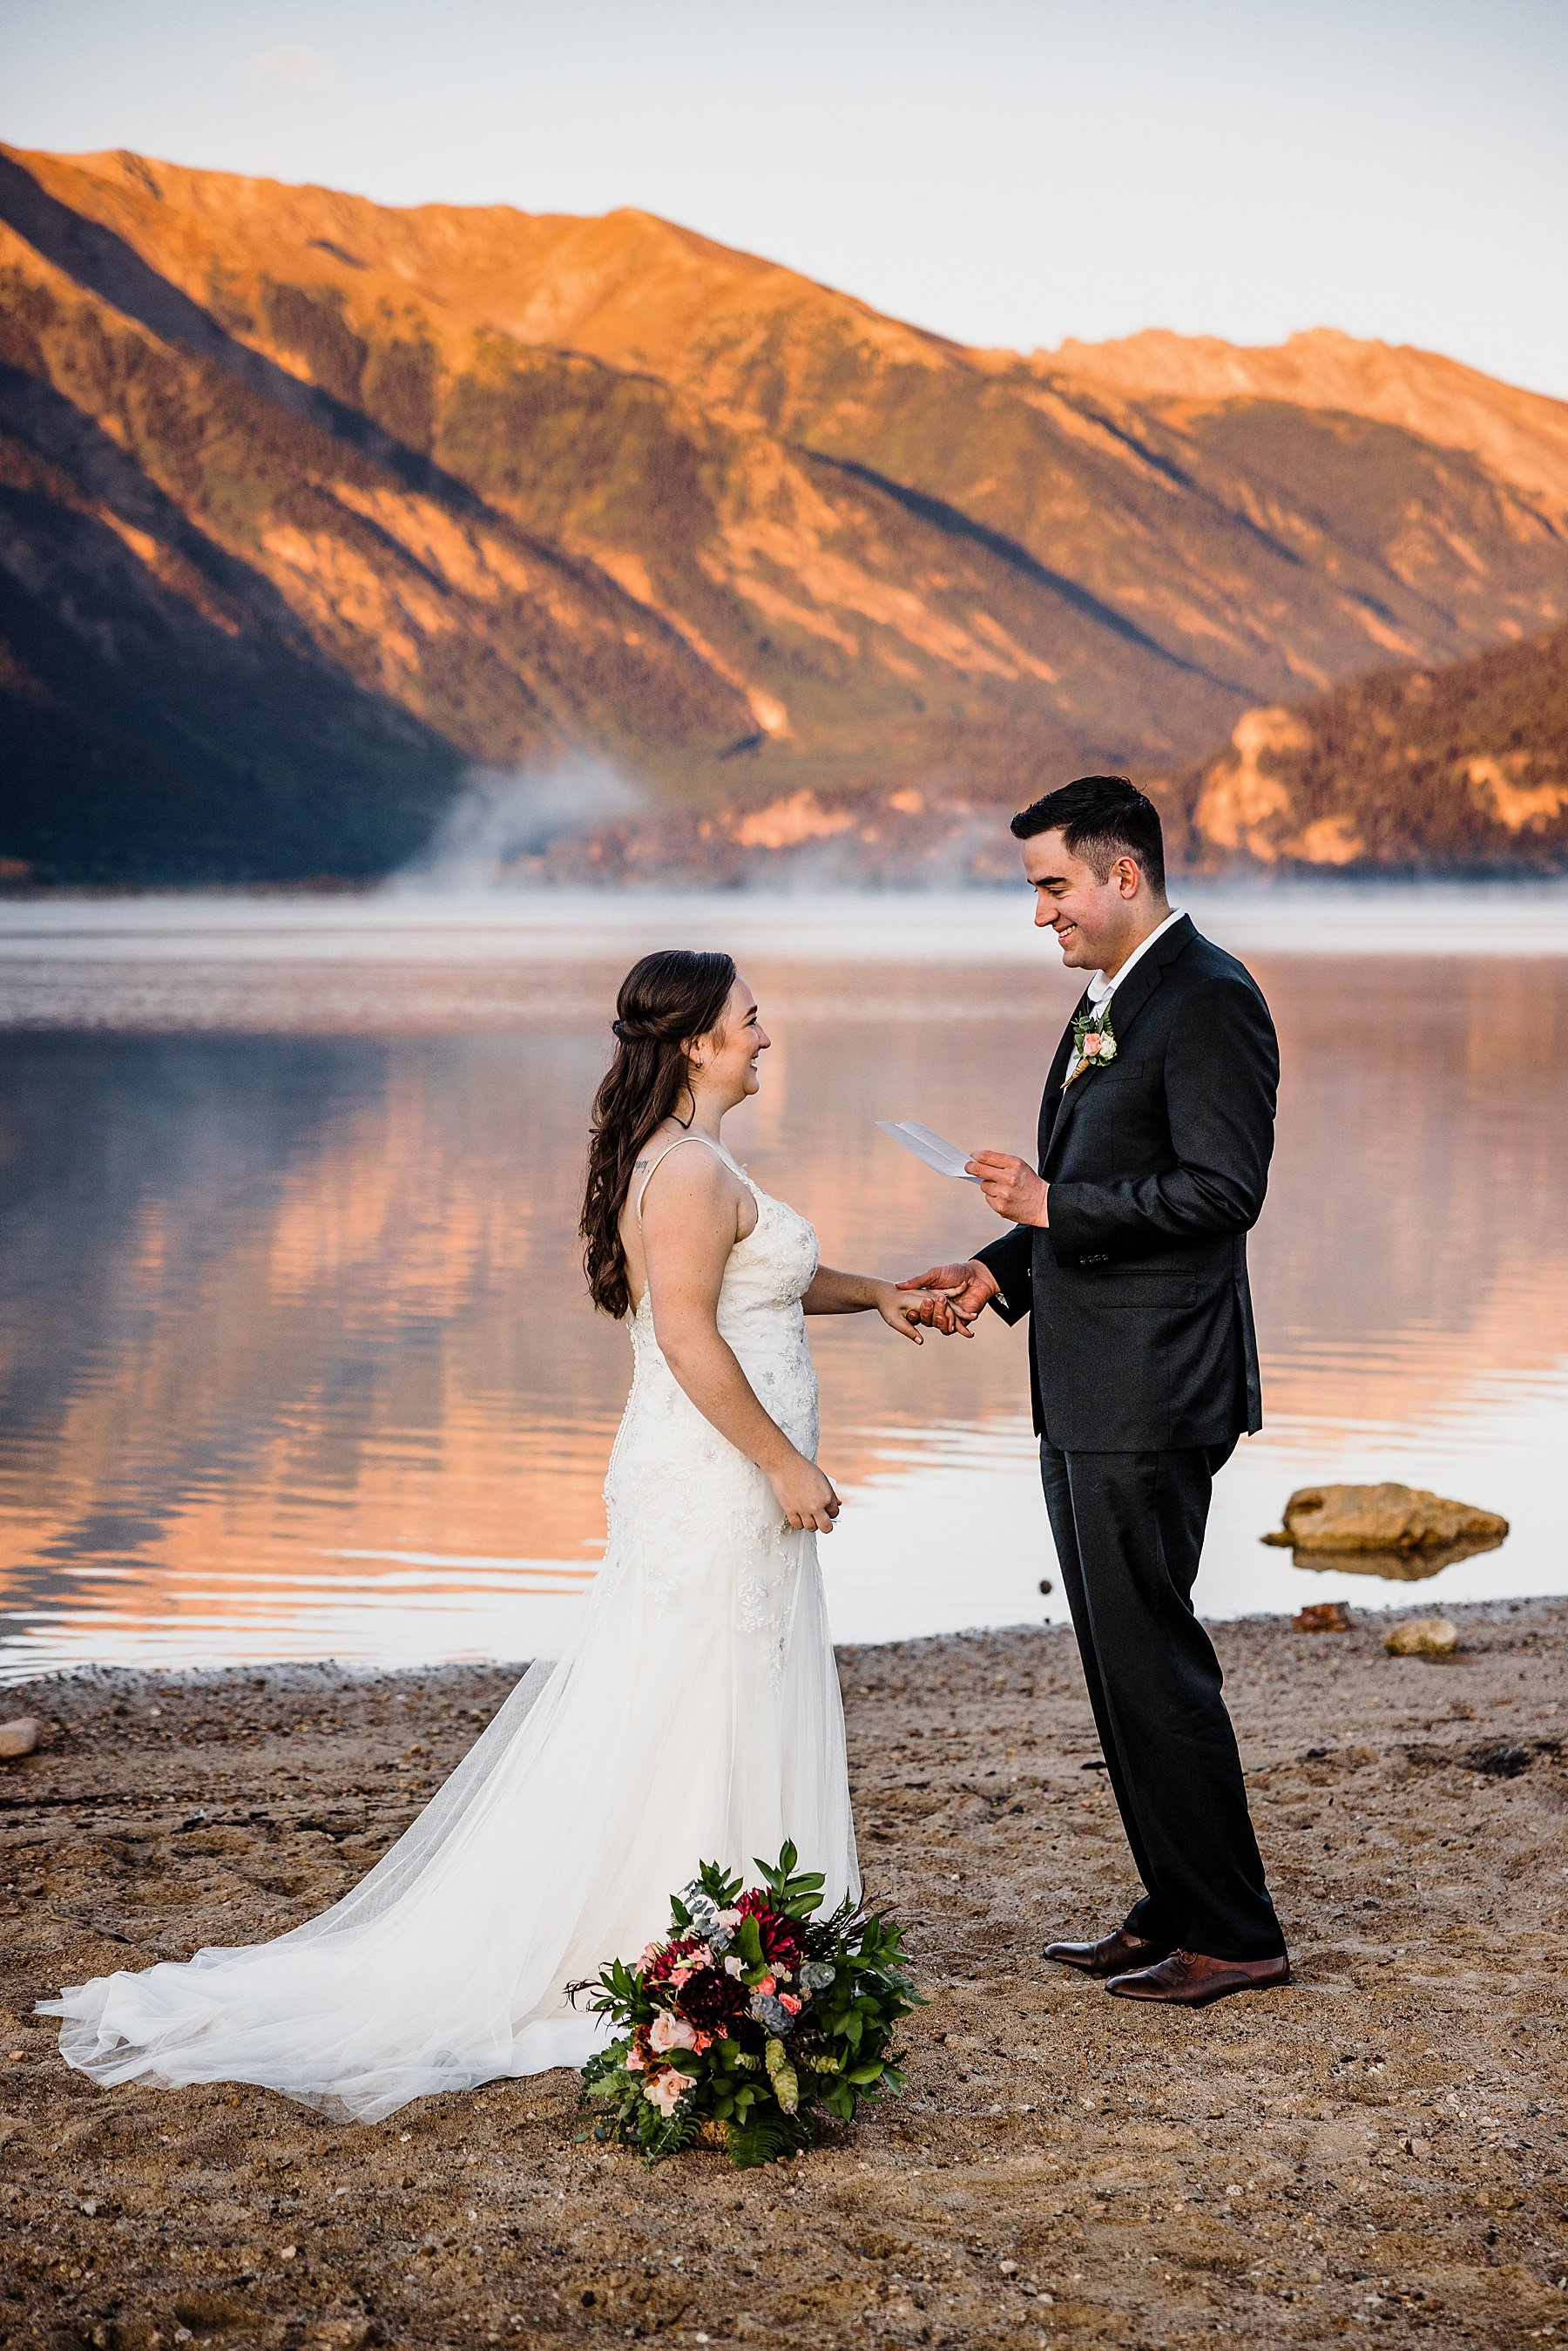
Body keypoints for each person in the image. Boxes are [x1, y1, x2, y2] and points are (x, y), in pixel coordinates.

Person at [39, 948, 931, 2120]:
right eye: (752, 1021)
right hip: (719, 1479)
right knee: (697, 1686)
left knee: (705, 1686)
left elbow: (751, 1289)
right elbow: (688, 1340)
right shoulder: (694, 1172)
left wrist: (877, 1295)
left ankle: (724, 1924)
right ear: (702, 1041)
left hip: (716, 1478)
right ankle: (689, 1934)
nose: (768, 1037)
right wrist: (784, 1463)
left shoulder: (696, 1164)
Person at [901, 776, 1290, 2009]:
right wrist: (998, 1265)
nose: (1040, 915)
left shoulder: (1212, 998)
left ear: (1124, 874)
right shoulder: (1107, 1002)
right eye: (1035, 890)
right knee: (1118, 1663)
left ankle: (1234, 1932)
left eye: (1052, 885)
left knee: (1154, 1658)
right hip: (1083, 1381)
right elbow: (1099, 1185)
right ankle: (1175, 1903)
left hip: (1156, 1387)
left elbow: (1223, 1192)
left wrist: (1052, 1204)